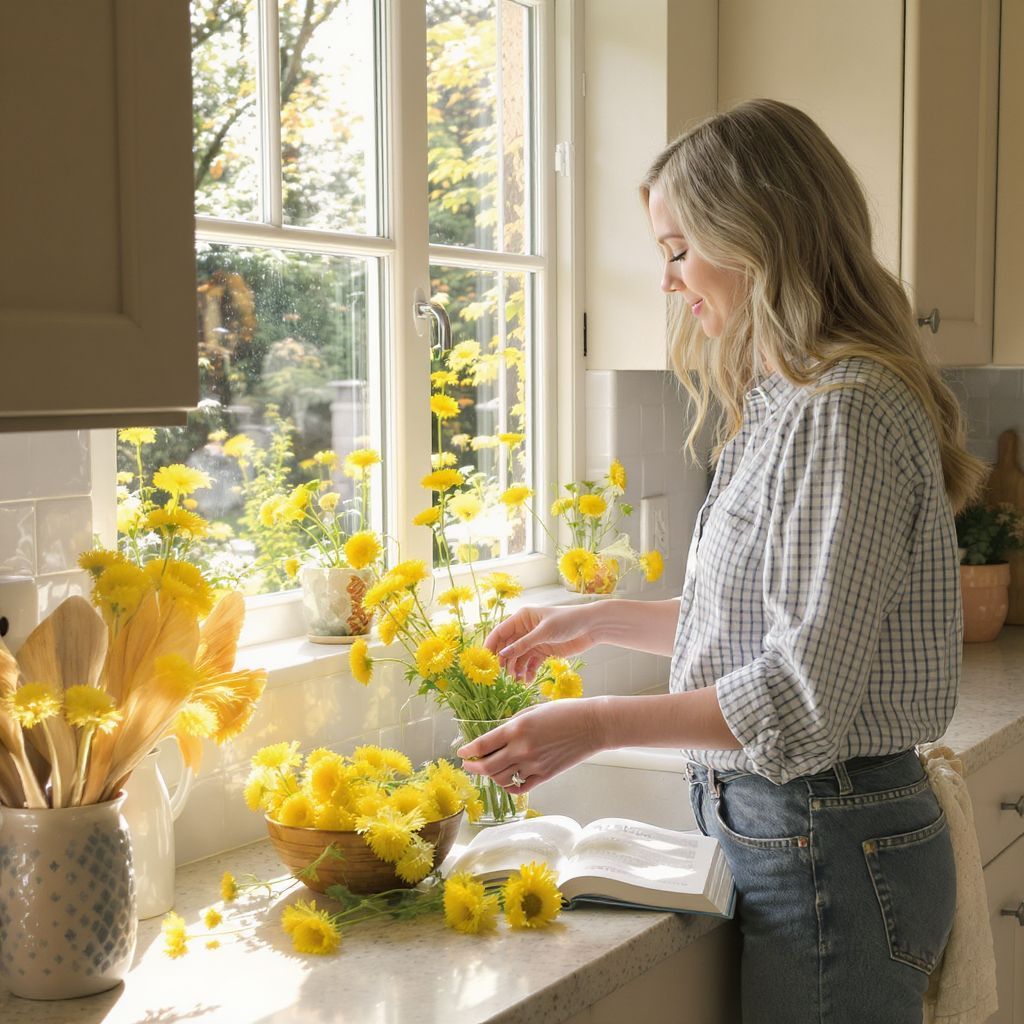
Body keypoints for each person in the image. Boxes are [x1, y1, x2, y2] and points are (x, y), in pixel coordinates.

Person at [455, 99, 989, 1023]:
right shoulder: (787, 397)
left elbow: (798, 697)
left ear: (755, 236)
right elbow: (775, 626)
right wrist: (603, 619)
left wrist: (594, 725)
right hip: (807, 833)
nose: (667, 281)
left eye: (676, 249)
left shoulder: (841, 412)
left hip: (831, 839)